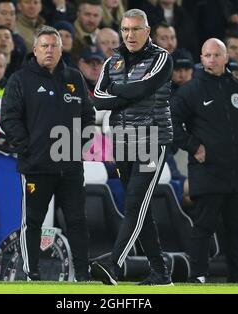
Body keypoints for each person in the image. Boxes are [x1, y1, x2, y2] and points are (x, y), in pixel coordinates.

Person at [0, 26, 94, 282]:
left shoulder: (74, 78)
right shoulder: (20, 79)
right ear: (35, 49)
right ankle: (32, 274)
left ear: (62, 49)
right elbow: (8, 118)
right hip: (36, 166)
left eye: (54, 45)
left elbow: (89, 116)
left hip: (70, 166)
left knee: (77, 221)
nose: (49, 50)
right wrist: (28, 146)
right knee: (32, 222)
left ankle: (83, 276)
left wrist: (78, 146)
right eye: (44, 46)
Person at [91, 9, 174, 286]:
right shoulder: (111, 61)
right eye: (126, 29)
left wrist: (119, 91)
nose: (130, 35)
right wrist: (128, 92)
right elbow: (99, 98)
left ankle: (114, 265)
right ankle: (161, 273)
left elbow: (143, 89)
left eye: (136, 29)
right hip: (121, 141)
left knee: (135, 204)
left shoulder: (161, 57)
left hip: (152, 139)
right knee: (141, 210)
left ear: (147, 31)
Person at [171, 38, 238, 283]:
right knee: (203, 226)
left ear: (225, 57)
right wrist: (193, 146)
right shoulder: (191, 90)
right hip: (208, 172)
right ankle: (198, 275)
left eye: (216, 55)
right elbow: (170, 123)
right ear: (201, 59)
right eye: (207, 55)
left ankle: (237, 279)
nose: (211, 59)